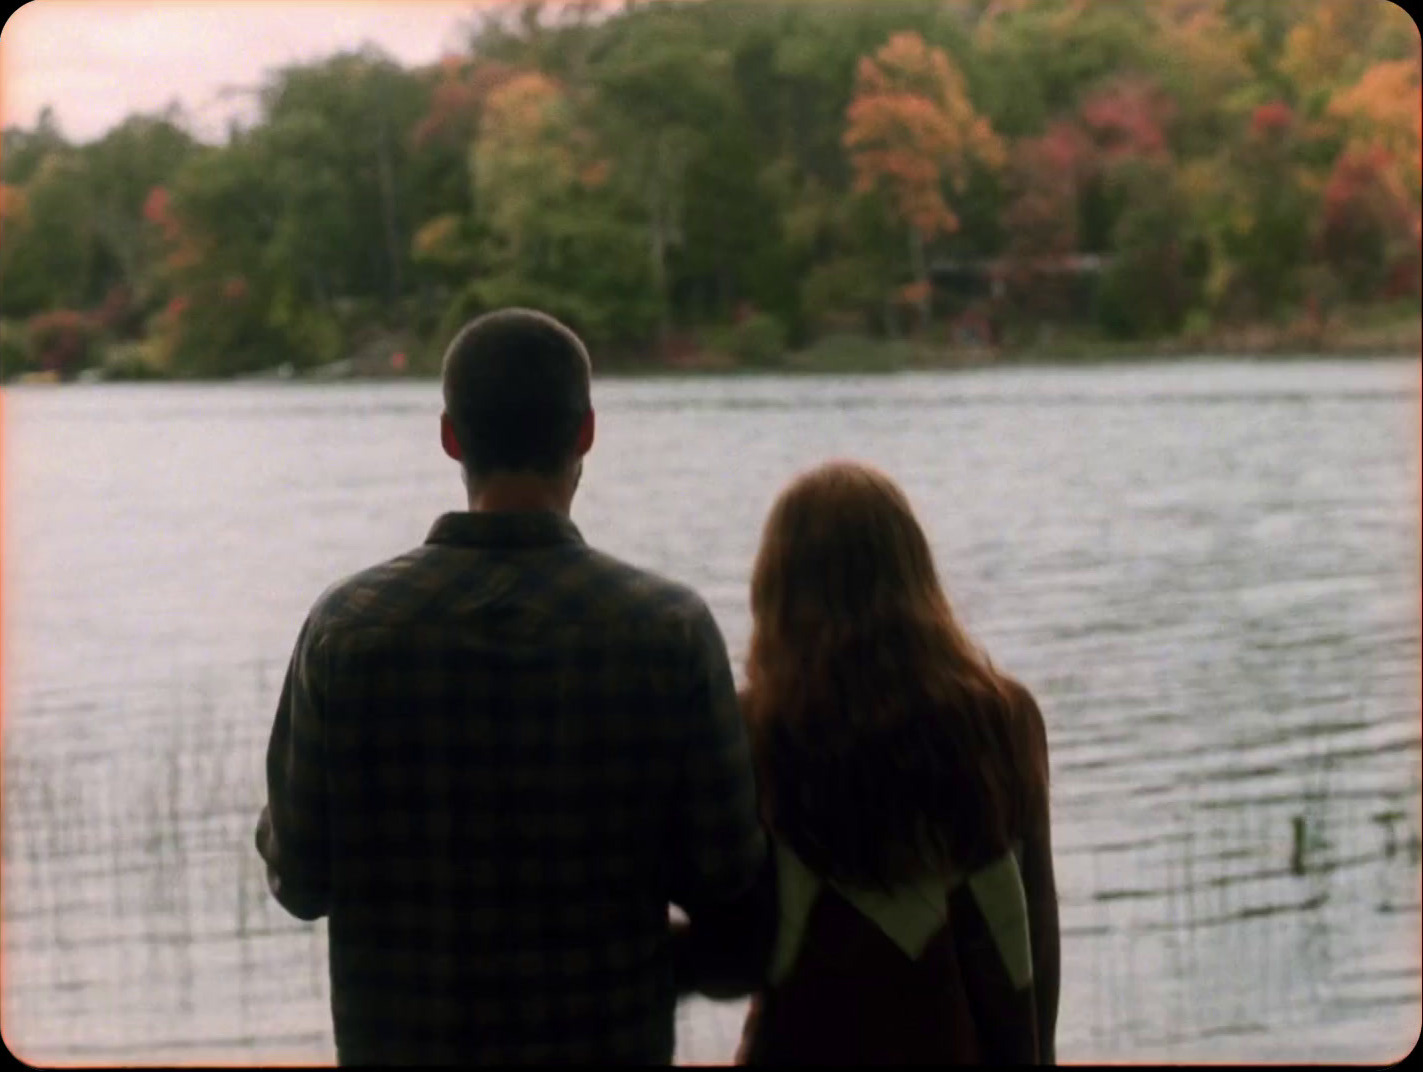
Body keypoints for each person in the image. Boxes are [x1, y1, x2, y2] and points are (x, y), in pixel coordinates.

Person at [254, 308, 773, 1065]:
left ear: (451, 437)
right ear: (586, 432)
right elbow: (729, 880)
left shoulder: (348, 630)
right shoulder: (670, 633)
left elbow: (299, 882)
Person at [677, 460, 1059, 1064]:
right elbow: (1034, 936)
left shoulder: (751, 728)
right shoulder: (1004, 719)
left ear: (775, 587)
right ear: (917, 574)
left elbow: (733, 939)